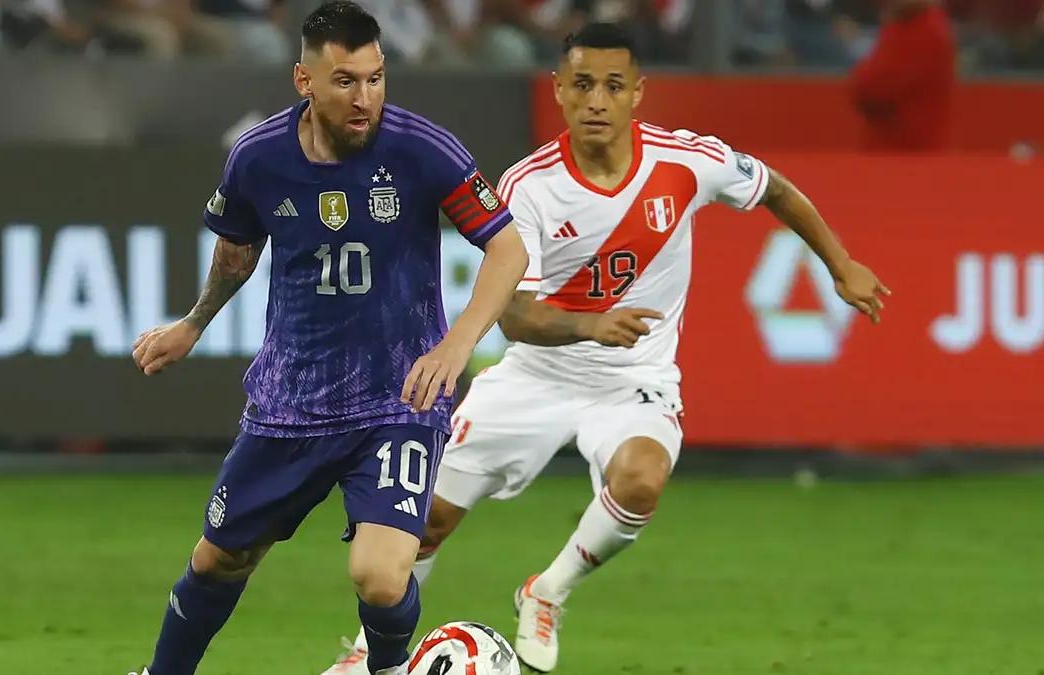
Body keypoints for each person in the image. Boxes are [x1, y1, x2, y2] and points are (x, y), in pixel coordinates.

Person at [324, 22, 890, 674]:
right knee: (426, 522)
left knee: (642, 478)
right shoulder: (529, 187)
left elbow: (776, 190)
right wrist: (589, 325)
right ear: (560, 90)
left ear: (637, 93)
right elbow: (516, 317)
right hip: (535, 375)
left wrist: (840, 265)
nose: (597, 100)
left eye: (613, 86)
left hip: (633, 379)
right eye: (583, 84)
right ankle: (367, 654)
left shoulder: (686, 162)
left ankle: (547, 591)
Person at [127, 2, 528, 674]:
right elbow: (236, 252)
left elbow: (507, 248)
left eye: (375, 78)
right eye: (345, 81)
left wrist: (456, 344)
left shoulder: (422, 148)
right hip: (292, 400)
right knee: (221, 557)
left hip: (398, 397)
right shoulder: (258, 158)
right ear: (304, 80)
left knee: (380, 576)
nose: (364, 97)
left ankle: (387, 668)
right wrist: (194, 322)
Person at [850, 0, 956, 152]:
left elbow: (870, 86)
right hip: (891, 149)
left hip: (913, 154)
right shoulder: (902, 24)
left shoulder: (926, 29)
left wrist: (860, 79)